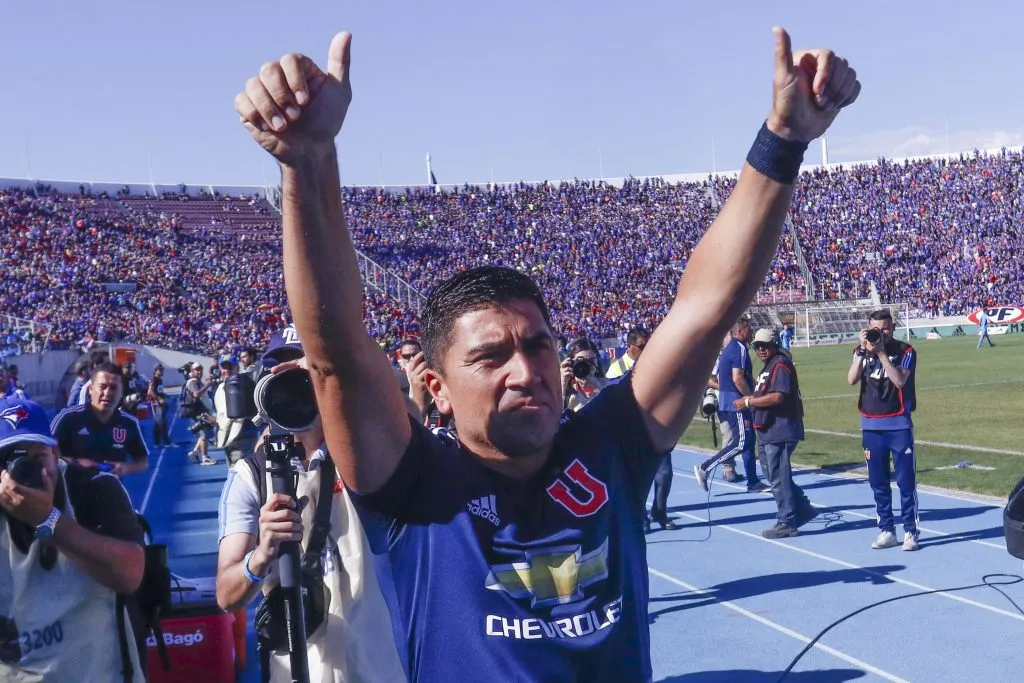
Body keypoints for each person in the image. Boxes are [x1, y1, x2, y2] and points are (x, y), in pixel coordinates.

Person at [234, 26, 859, 680]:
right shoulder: (412, 484)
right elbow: (335, 350)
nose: (525, 370)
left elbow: (705, 312)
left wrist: (785, 140)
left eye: (539, 345)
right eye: (490, 356)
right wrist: (306, 160)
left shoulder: (610, 446)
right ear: (437, 387)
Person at [215, 327, 404, 683]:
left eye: (305, 376)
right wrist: (261, 554)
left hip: (382, 665)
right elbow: (226, 595)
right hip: (299, 670)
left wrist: (338, 370)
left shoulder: (370, 454)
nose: (296, 390)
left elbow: (402, 413)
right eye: (281, 378)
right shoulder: (251, 475)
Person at [0, 396, 146, 681]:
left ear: (55, 453)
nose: (25, 472)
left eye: (36, 457)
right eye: (10, 461)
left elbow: (130, 574)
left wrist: (48, 520)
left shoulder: (92, 488)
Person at [848, 309, 919, 551]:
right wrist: (861, 350)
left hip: (898, 424)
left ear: (893, 328)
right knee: (878, 483)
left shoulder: (905, 351)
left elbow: (899, 380)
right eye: (876, 328)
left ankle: (910, 530)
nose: (882, 332)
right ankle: (887, 529)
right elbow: (851, 379)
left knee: (905, 482)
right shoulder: (862, 351)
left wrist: (881, 354)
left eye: (886, 328)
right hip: (870, 425)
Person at [746, 329, 815, 538]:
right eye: (757, 346)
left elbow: (777, 397)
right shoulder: (769, 367)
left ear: (774, 344)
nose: (760, 350)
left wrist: (748, 401)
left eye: (764, 345)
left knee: (778, 476)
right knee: (773, 475)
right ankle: (801, 506)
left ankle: (787, 520)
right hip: (767, 428)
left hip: (780, 427)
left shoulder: (781, 365)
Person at [694, 317, 767, 492]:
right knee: (742, 442)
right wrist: (751, 397)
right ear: (741, 331)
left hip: (731, 401)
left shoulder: (731, 348)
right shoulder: (739, 348)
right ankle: (705, 467)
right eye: (749, 329)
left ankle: (753, 481)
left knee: (748, 442)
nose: (751, 333)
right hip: (737, 402)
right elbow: (737, 377)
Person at [50, 361, 150, 477]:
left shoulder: (129, 423)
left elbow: (143, 461)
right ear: (91, 389)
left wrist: (125, 467)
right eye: (102, 387)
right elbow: (45, 452)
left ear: (121, 392)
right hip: (71, 492)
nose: (107, 393)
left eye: (113, 388)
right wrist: (78, 463)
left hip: (111, 491)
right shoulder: (68, 417)